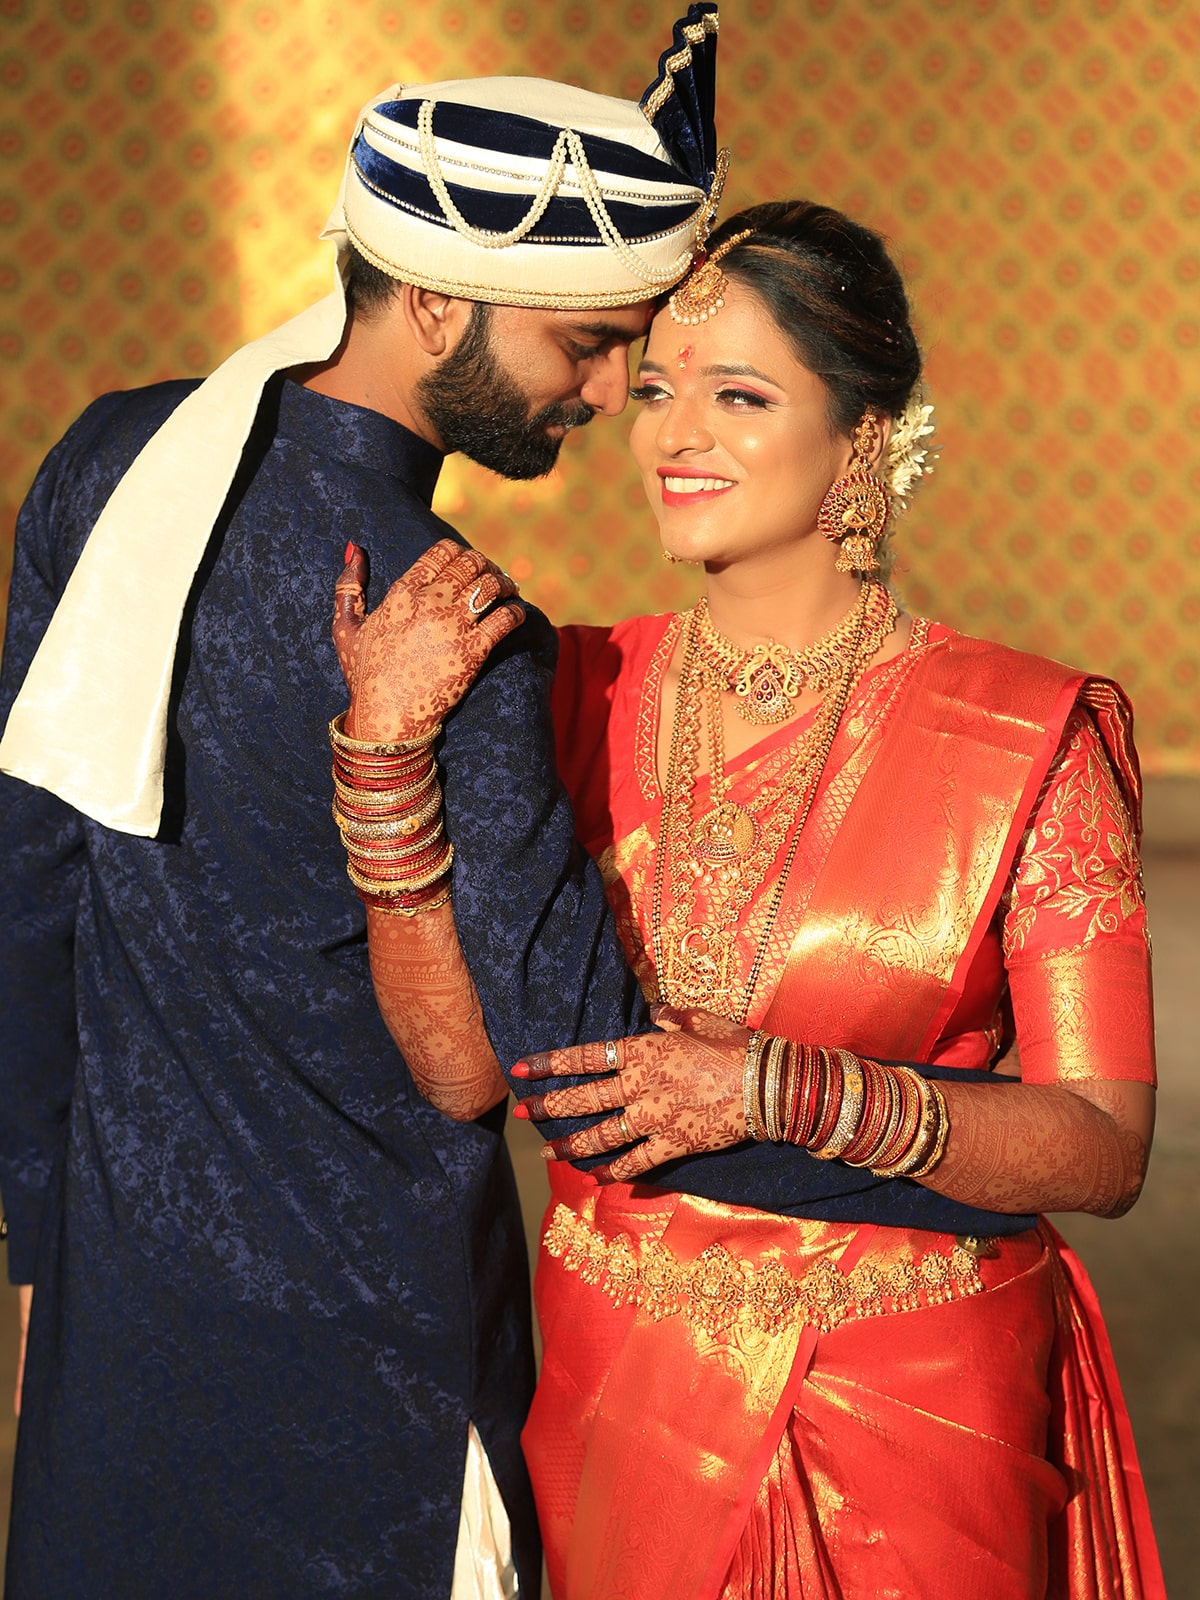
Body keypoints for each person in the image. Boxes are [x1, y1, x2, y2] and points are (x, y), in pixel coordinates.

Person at [334, 200, 1165, 1598]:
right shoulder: (567, 692)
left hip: (913, 1405)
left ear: (863, 438)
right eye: (655, 389)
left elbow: (1103, 1146)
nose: (673, 434)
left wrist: (781, 1092)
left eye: (738, 394)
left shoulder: (1027, 736)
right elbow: (463, 1068)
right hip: (616, 1386)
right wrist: (383, 767)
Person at [0, 10, 728, 1595]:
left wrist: (36, 1260)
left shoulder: (109, 464)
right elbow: (544, 1071)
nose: (612, 390)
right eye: (584, 344)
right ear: (436, 298)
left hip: (119, 1326)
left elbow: (28, 895)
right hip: (371, 1364)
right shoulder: (456, 620)